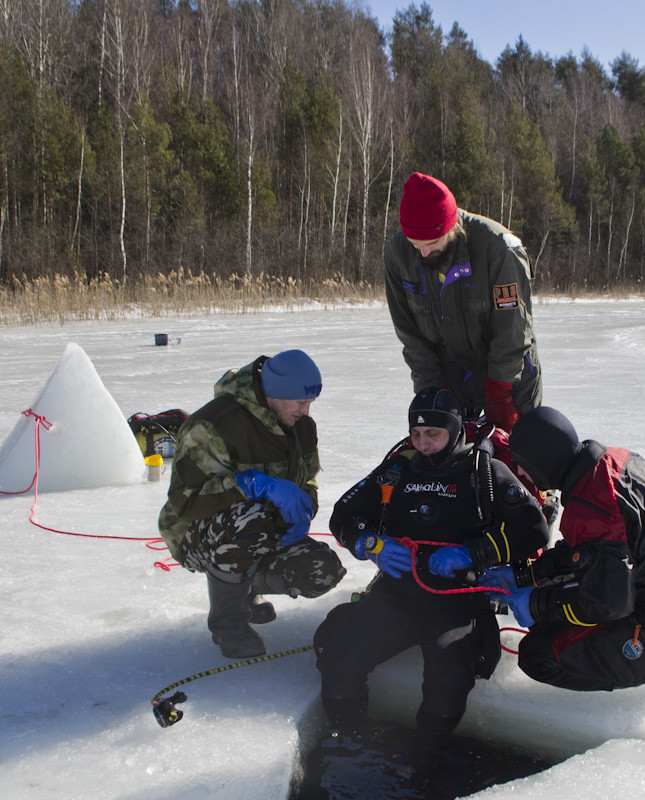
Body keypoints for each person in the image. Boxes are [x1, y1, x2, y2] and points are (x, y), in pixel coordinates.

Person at [313, 388, 550, 745]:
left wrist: (473, 553)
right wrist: (369, 543)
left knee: (449, 681)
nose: (423, 444)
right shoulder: (398, 469)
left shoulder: (483, 472)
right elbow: (344, 515)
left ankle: (427, 759)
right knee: (339, 660)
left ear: (455, 432)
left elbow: (533, 530)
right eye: (416, 434)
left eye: (433, 434)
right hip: (395, 596)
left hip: (456, 602)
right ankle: (350, 740)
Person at [482, 406, 645, 691]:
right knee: (560, 603)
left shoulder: (593, 501)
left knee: (537, 654)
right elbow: (581, 552)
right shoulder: (611, 462)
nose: (520, 471)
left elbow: (608, 602)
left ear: (542, 459)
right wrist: (526, 575)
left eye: (523, 463)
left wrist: (535, 604)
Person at [158, 349, 346, 659]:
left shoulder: (302, 427)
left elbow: (308, 477)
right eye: (300, 402)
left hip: (260, 531)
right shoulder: (214, 424)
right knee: (251, 515)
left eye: (310, 403)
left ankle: (243, 591)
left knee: (321, 570)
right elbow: (185, 502)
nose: (306, 410)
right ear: (275, 393)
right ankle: (228, 623)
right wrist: (252, 484)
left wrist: (304, 506)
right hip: (195, 534)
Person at [384, 172, 543, 432]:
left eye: (433, 242)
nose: (424, 252)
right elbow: (410, 334)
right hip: (448, 374)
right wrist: (433, 388)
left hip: (510, 374)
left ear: (451, 226)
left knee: (520, 458)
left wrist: (500, 388)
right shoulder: (397, 255)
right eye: (416, 244)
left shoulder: (499, 249)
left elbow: (513, 328)